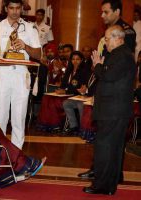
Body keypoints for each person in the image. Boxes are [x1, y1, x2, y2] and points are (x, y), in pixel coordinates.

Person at [78, 0, 136, 181]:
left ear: (117, 11)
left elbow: (114, 68)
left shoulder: (125, 32)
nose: (102, 15)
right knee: (106, 141)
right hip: (106, 88)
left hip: (115, 95)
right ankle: (104, 171)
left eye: (105, 12)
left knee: (110, 142)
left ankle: (108, 174)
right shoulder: (108, 33)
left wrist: (99, 68)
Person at [0, 0, 41, 149]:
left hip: (21, 74)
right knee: (0, 117)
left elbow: (38, 54)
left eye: (18, 8)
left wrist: (25, 46)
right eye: (11, 8)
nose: (15, 11)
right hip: (2, 74)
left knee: (19, 118)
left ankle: (17, 158)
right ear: (6, 9)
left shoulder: (30, 28)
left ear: (21, 9)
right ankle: (0, 155)